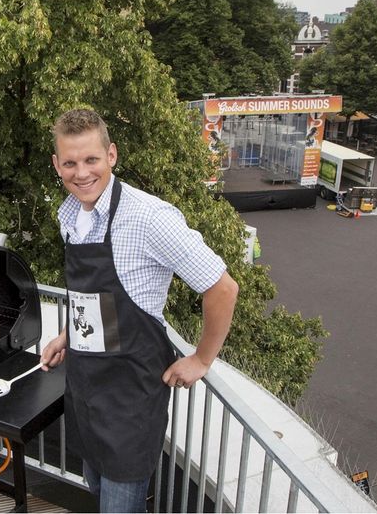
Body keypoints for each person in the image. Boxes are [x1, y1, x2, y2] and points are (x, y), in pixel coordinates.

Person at [40, 109, 239, 513]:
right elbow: (88, 292)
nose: (81, 173)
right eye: (70, 163)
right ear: (57, 165)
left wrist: (201, 359)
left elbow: (223, 287)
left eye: (91, 159)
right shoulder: (69, 214)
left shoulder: (149, 218)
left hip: (131, 399)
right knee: (95, 489)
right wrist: (69, 334)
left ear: (111, 155)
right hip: (86, 386)